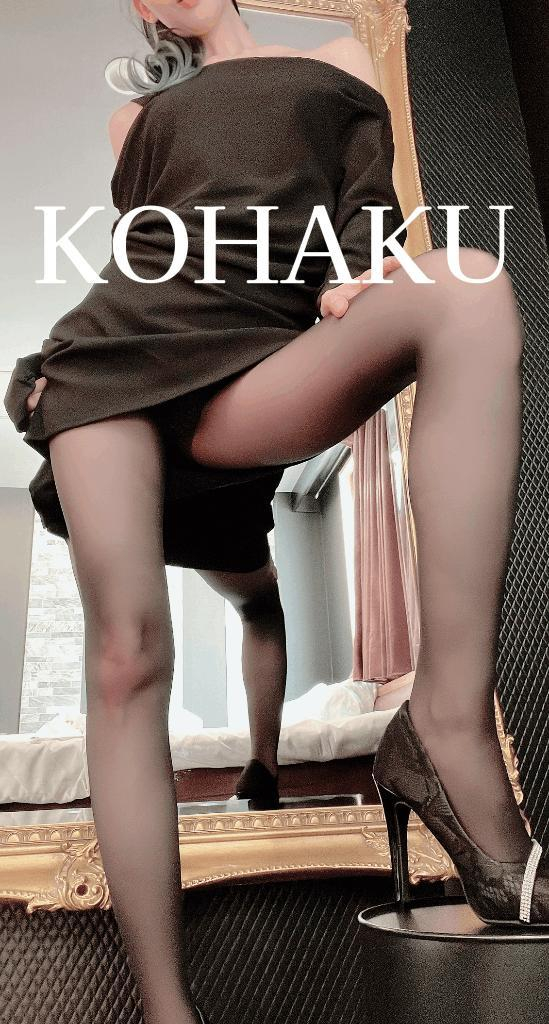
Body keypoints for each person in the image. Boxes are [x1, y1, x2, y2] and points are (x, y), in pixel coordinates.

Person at [4, 0, 548, 1021]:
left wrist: (356, 274)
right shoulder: (136, 116)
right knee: (127, 655)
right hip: (111, 366)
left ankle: (444, 723)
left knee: (471, 285)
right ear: (145, 10)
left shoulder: (340, 55)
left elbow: (367, 203)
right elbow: (152, 249)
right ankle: (168, 1009)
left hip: (259, 359)